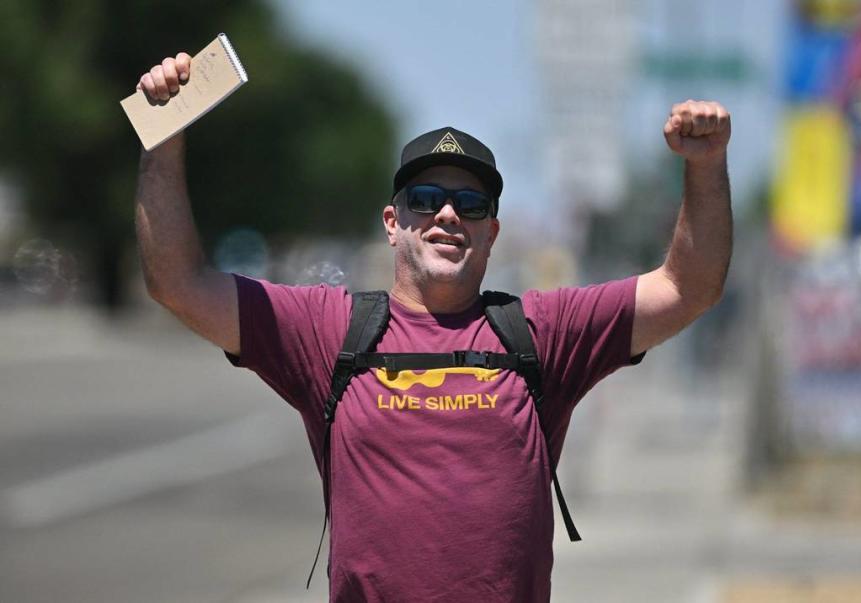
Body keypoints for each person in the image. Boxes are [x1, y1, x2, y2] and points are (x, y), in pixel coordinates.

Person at [134, 51, 732, 602]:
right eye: (425, 198)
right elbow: (179, 284)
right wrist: (162, 141)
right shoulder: (328, 331)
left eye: (471, 205)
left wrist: (705, 168)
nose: (448, 215)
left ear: (491, 233)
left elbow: (688, 287)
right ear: (393, 222)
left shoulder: (544, 334)